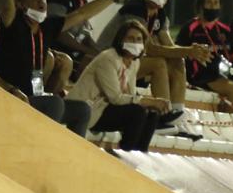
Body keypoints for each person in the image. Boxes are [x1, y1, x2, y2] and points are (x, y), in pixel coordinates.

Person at [0, 0, 136, 135]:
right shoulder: (12, 24)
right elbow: (7, 7)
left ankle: (72, 156)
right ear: (20, 3)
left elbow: (81, 14)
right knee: (55, 104)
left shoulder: (45, 28)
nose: (42, 0)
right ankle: (42, 148)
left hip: (33, 97)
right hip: (9, 96)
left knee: (82, 110)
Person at [98, 0, 211, 134]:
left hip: (128, 63)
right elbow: (150, 48)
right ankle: (160, 117)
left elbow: (170, 47)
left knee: (177, 61)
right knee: (158, 63)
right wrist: (188, 51)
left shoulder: (160, 15)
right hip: (109, 62)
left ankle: (177, 114)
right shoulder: (135, 9)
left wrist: (192, 51)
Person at [67, 18, 169, 150]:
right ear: (121, 40)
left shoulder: (134, 62)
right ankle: (127, 151)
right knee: (137, 112)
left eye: (139, 39)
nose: (135, 42)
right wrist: (149, 101)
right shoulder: (108, 58)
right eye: (131, 38)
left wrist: (150, 104)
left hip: (106, 108)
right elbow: (116, 97)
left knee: (152, 113)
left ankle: (139, 153)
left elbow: (130, 94)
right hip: (89, 110)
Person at [45, 0, 102, 75]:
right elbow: (58, 32)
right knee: (97, 64)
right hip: (60, 54)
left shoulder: (82, 0)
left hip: (77, 53)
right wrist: (87, 50)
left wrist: (100, 52)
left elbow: (85, 35)